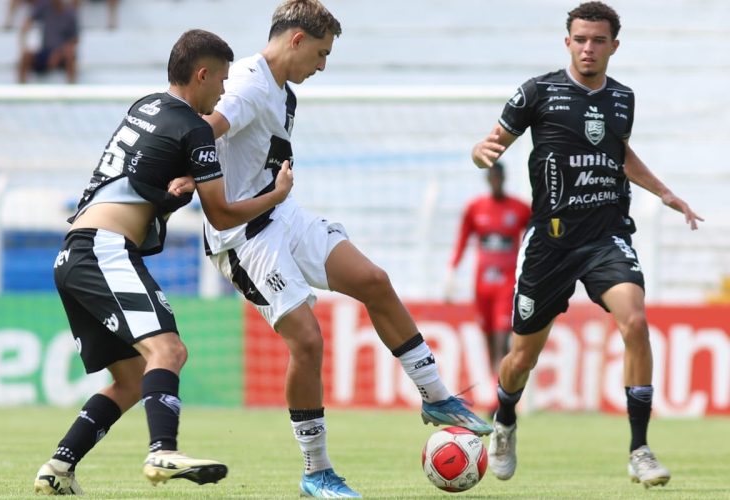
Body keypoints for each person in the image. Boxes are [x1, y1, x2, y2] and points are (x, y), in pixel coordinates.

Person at [169, 1, 492, 497]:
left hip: (283, 214)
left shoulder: (285, 95)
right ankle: (316, 471)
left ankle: (436, 397)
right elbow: (205, 128)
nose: (321, 66)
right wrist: (186, 175)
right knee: (307, 339)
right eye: (320, 54)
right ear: (296, 39)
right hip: (244, 237)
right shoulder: (249, 84)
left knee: (374, 281)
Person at [33, 29, 294, 495]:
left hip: (74, 251)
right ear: (202, 74)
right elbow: (221, 212)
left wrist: (171, 197)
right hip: (104, 249)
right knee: (169, 352)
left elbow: (136, 181)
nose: (223, 93)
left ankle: (59, 467)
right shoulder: (195, 127)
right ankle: (163, 451)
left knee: (133, 379)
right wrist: (275, 195)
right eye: (221, 81)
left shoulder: (145, 106)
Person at [471, 1, 702, 489]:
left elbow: (619, 153)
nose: (589, 48)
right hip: (550, 243)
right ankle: (506, 418)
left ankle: (639, 449)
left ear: (614, 46)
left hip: (606, 236)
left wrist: (664, 192)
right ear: (567, 42)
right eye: (580, 39)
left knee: (636, 321)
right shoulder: (538, 92)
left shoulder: (622, 99)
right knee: (521, 360)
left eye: (598, 40)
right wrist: (480, 151)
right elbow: (492, 141)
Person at [443, 162, 531, 376]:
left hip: (507, 283)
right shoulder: (475, 209)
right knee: (490, 343)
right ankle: (499, 389)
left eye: (499, 178)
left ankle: (501, 398)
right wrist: (451, 273)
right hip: (482, 285)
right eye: (492, 178)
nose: (496, 182)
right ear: (488, 179)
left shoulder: (519, 209)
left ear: (504, 178)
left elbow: (534, 239)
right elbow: (461, 242)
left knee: (503, 339)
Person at [17, 0, 79, 83]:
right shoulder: (44, 6)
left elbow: (74, 40)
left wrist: (59, 54)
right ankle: (22, 89)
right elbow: (29, 21)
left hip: (62, 53)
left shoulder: (70, 13)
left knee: (70, 56)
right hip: (45, 52)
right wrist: (23, 43)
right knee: (26, 56)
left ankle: (71, 88)